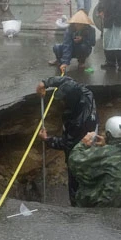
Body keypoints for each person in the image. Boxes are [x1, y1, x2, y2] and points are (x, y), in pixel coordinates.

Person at [36, 76, 99, 206]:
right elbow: (68, 80)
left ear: (71, 100)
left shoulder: (80, 123)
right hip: (87, 140)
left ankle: (77, 207)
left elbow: (67, 144)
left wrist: (47, 139)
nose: (62, 103)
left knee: (76, 181)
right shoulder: (86, 92)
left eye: (64, 100)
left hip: (81, 155)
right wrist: (45, 83)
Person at [68, 116, 121, 208]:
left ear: (108, 134)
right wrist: (107, 145)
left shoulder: (102, 153)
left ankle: (84, 214)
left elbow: (74, 161)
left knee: (86, 185)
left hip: (108, 207)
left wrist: (83, 144)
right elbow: (116, 158)